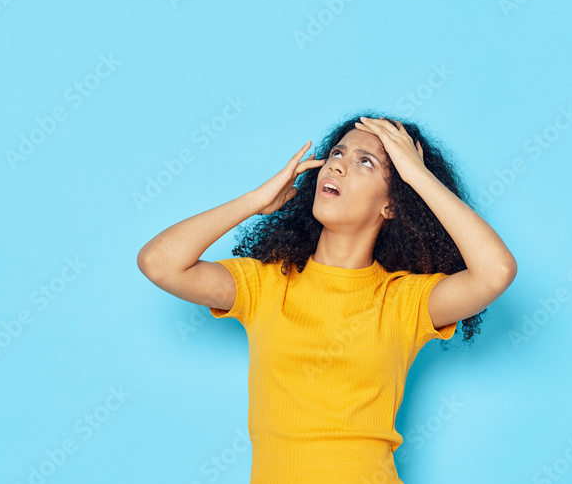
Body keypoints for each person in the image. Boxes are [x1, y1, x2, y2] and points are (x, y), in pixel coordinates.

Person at [137, 113, 517, 483]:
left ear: (392, 204)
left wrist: (416, 175)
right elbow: (159, 263)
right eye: (336, 153)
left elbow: (495, 272)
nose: (337, 166)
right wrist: (255, 200)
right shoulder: (266, 285)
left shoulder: (403, 300)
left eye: (364, 162)